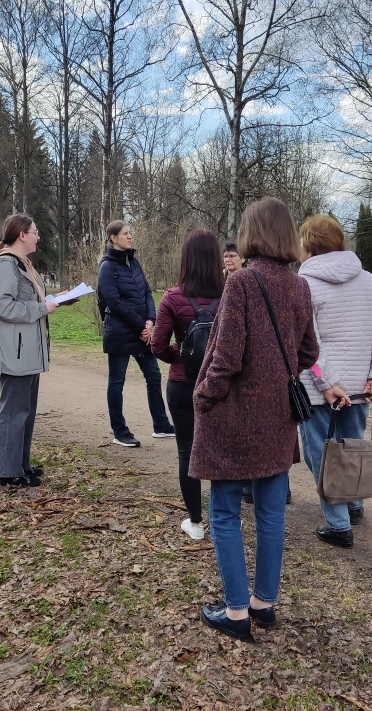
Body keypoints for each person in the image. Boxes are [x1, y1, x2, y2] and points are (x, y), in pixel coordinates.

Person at [190, 197, 318, 642]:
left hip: (233, 416)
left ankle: (237, 611)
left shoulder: (241, 282)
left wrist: (203, 396)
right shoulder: (299, 286)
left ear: (252, 233)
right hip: (278, 417)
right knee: (269, 512)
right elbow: (309, 353)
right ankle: (264, 604)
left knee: (224, 511)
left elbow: (225, 356)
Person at [296, 215, 372, 547]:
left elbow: (308, 343)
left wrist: (326, 382)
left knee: (319, 453)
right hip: (358, 385)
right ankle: (353, 504)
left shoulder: (304, 283)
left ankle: (339, 526)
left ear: (308, 243)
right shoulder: (369, 281)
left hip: (318, 385)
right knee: (352, 447)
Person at [0, 214, 67, 487]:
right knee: (14, 411)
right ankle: (7, 470)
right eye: (36, 232)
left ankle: (20, 464)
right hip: (14, 352)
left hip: (27, 350)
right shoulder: (6, 265)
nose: (39, 237)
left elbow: (28, 299)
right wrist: (41, 308)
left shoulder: (23, 264)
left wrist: (56, 300)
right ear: (22, 235)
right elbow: (1, 305)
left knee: (25, 411)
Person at [151, 230, 225, 541]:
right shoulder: (232, 293)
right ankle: (224, 518)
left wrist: (180, 357)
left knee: (187, 452)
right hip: (221, 386)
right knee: (223, 453)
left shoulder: (173, 296)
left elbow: (157, 346)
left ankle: (195, 523)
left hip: (183, 386)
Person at [98, 220, 177, 447]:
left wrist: (151, 321)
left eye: (130, 232)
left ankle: (161, 425)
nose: (130, 236)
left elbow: (146, 292)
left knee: (154, 376)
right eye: (125, 233)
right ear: (114, 238)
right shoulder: (107, 267)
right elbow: (113, 301)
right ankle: (120, 431)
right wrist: (141, 325)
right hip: (120, 333)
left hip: (142, 332)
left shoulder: (134, 262)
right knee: (117, 381)